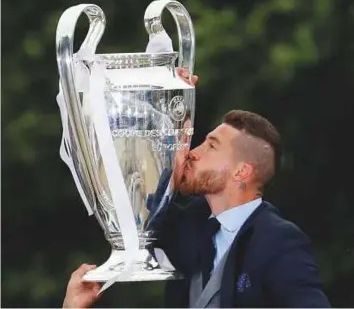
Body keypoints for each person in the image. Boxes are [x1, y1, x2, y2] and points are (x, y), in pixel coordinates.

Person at [63, 71, 330, 308]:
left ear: (242, 172)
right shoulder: (186, 224)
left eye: (211, 146)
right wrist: (166, 102)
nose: (193, 153)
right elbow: (127, 186)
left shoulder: (280, 241)